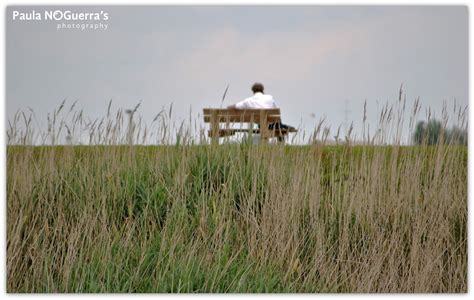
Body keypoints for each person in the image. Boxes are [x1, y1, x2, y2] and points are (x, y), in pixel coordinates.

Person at [227, 82, 294, 142]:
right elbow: (275, 109)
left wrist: (228, 107)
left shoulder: (248, 101)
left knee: (275, 124)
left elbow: (234, 106)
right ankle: (283, 131)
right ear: (262, 90)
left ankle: (284, 127)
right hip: (273, 124)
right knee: (279, 125)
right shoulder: (269, 98)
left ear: (253, 91)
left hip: (261, 125)